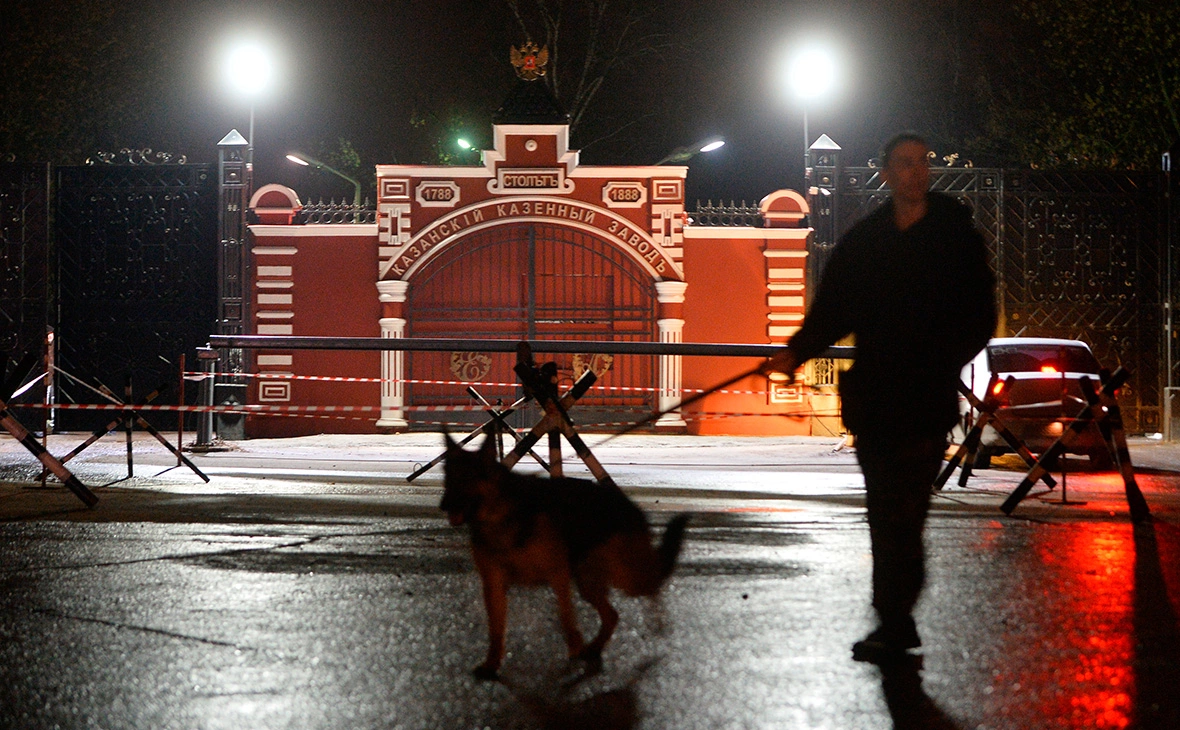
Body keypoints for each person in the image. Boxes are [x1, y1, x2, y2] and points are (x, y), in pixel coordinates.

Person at [764, 132, 996, 661]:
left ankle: (896, 617)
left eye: (922, 162)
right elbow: (832, 310)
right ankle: (894, 618)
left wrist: (942, 360)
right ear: (886, 173)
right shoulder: (866, 241)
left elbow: (980, 315)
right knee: (882, 511)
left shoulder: (955, 236)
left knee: (905, 512)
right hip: (875, 400)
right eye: (904, 164)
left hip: (925, 399)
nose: (915, 172)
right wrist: (794, 353)